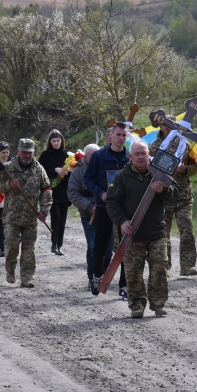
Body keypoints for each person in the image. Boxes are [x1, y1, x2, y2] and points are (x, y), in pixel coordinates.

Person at [106, 141, 177, 318]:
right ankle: (137, 304)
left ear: (149, 154)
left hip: (157, 231)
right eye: (137, 154)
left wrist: (164, 190)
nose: (140, 157)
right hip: (132, 233)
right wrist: (122, 221)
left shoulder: (160, 173)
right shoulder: (122, 176)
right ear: (130, 156)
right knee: (133, 270)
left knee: (159, 265)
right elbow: (112, 202)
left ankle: (158, 303)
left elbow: (176, 192)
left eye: (143, 153)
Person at [0, 138, 52, 288]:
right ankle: (10, 270)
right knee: (12, 245)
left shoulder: (38, 169)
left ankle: (27, 277)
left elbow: (46, 190)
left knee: (29, 248)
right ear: (18, 151)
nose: (27, 155)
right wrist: (9, 185)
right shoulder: (7, 168)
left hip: (31, 217)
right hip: (12, 216)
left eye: (30, 152)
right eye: (24, 152)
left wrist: (44, 210)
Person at [84, 122, 129, 296]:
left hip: (125, 207)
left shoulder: (129, 156)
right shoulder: (99, 156)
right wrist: (100, 193)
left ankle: (124, 284)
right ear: (111, 136)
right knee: (101, 244)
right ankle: (97, 275)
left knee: (125, 245)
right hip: (104, 206)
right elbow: (88, 179)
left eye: (124, 135)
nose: (121, 138)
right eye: (118, 135)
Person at [149, 123, 197, 277]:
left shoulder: (186, 145)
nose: (172, 130)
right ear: (162, 128)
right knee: (164, 233)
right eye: (168, 127)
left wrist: (185, 170)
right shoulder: (154, 147)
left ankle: (187, 266)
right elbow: (148, 168)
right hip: (164, 196)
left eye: (174, 128)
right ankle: (165, 267)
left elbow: (195, 166)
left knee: (187, 229)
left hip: (183, 196)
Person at [68, 143, 112, 290]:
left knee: (108, 250)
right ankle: (93, 278)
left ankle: (102, 275)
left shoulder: (107, 168)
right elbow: (73, 193)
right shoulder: (78, 172)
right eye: (91, 157)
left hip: (107, 214)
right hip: (89, 216)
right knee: (93, 246)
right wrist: (89, 206)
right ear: (85, 157)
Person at [37, 129, 72, 256]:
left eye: (58, 140)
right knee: (56, 216)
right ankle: (54, 242)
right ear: (50, 142)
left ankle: (59, 244)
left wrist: (67, 172)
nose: (56, 143)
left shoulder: (67, 155)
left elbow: (73, 172)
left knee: (62, 220)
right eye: (54, 141)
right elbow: (40, 171)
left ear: (61, 141)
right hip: (50, 192)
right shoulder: (45, 155)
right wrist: (55, 170)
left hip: (64, 192)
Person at [0, 141, 11, 257]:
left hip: (11, 197)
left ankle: (10, 246)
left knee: (11, 224)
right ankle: (2, 248)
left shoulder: (13, 164)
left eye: (7, 152)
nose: (5, 155)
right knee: (1, 223)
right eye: (3, 152)